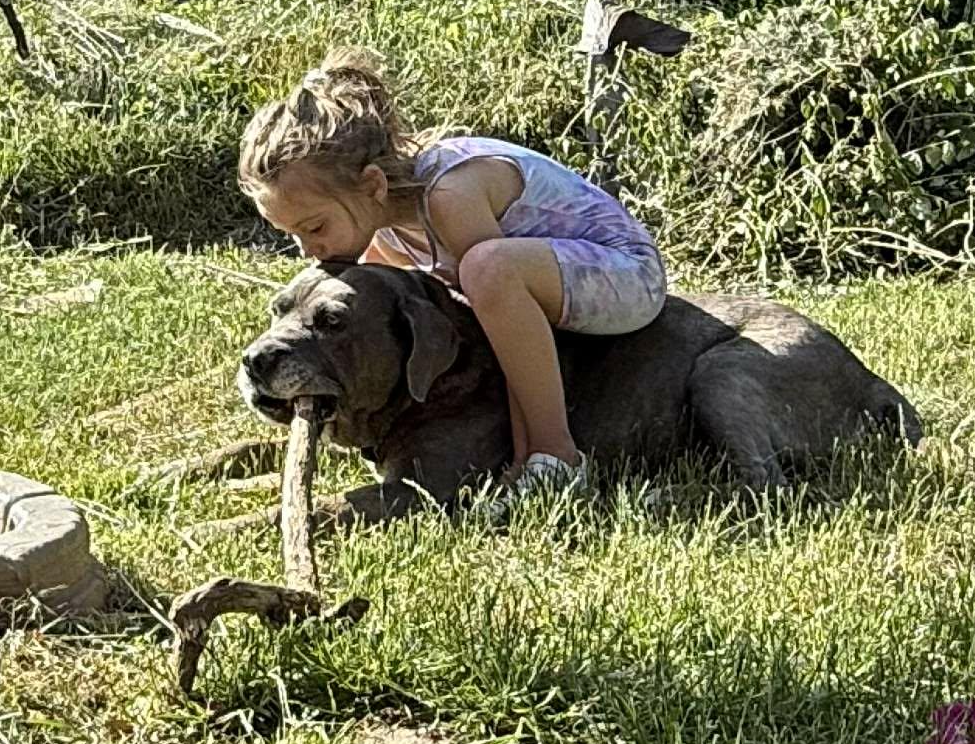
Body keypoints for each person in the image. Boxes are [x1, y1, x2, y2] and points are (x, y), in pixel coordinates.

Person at [238, 51, 667, 497]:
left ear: (372, 185)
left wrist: (516, 455)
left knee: (486, 270)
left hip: (627, 274)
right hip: (561, 277)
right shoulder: (385, 223)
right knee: (477, 273)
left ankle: (553, 455)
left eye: (315, 228)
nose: (307, 249)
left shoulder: (448, 197)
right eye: (291, 235)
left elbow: (501, 317)